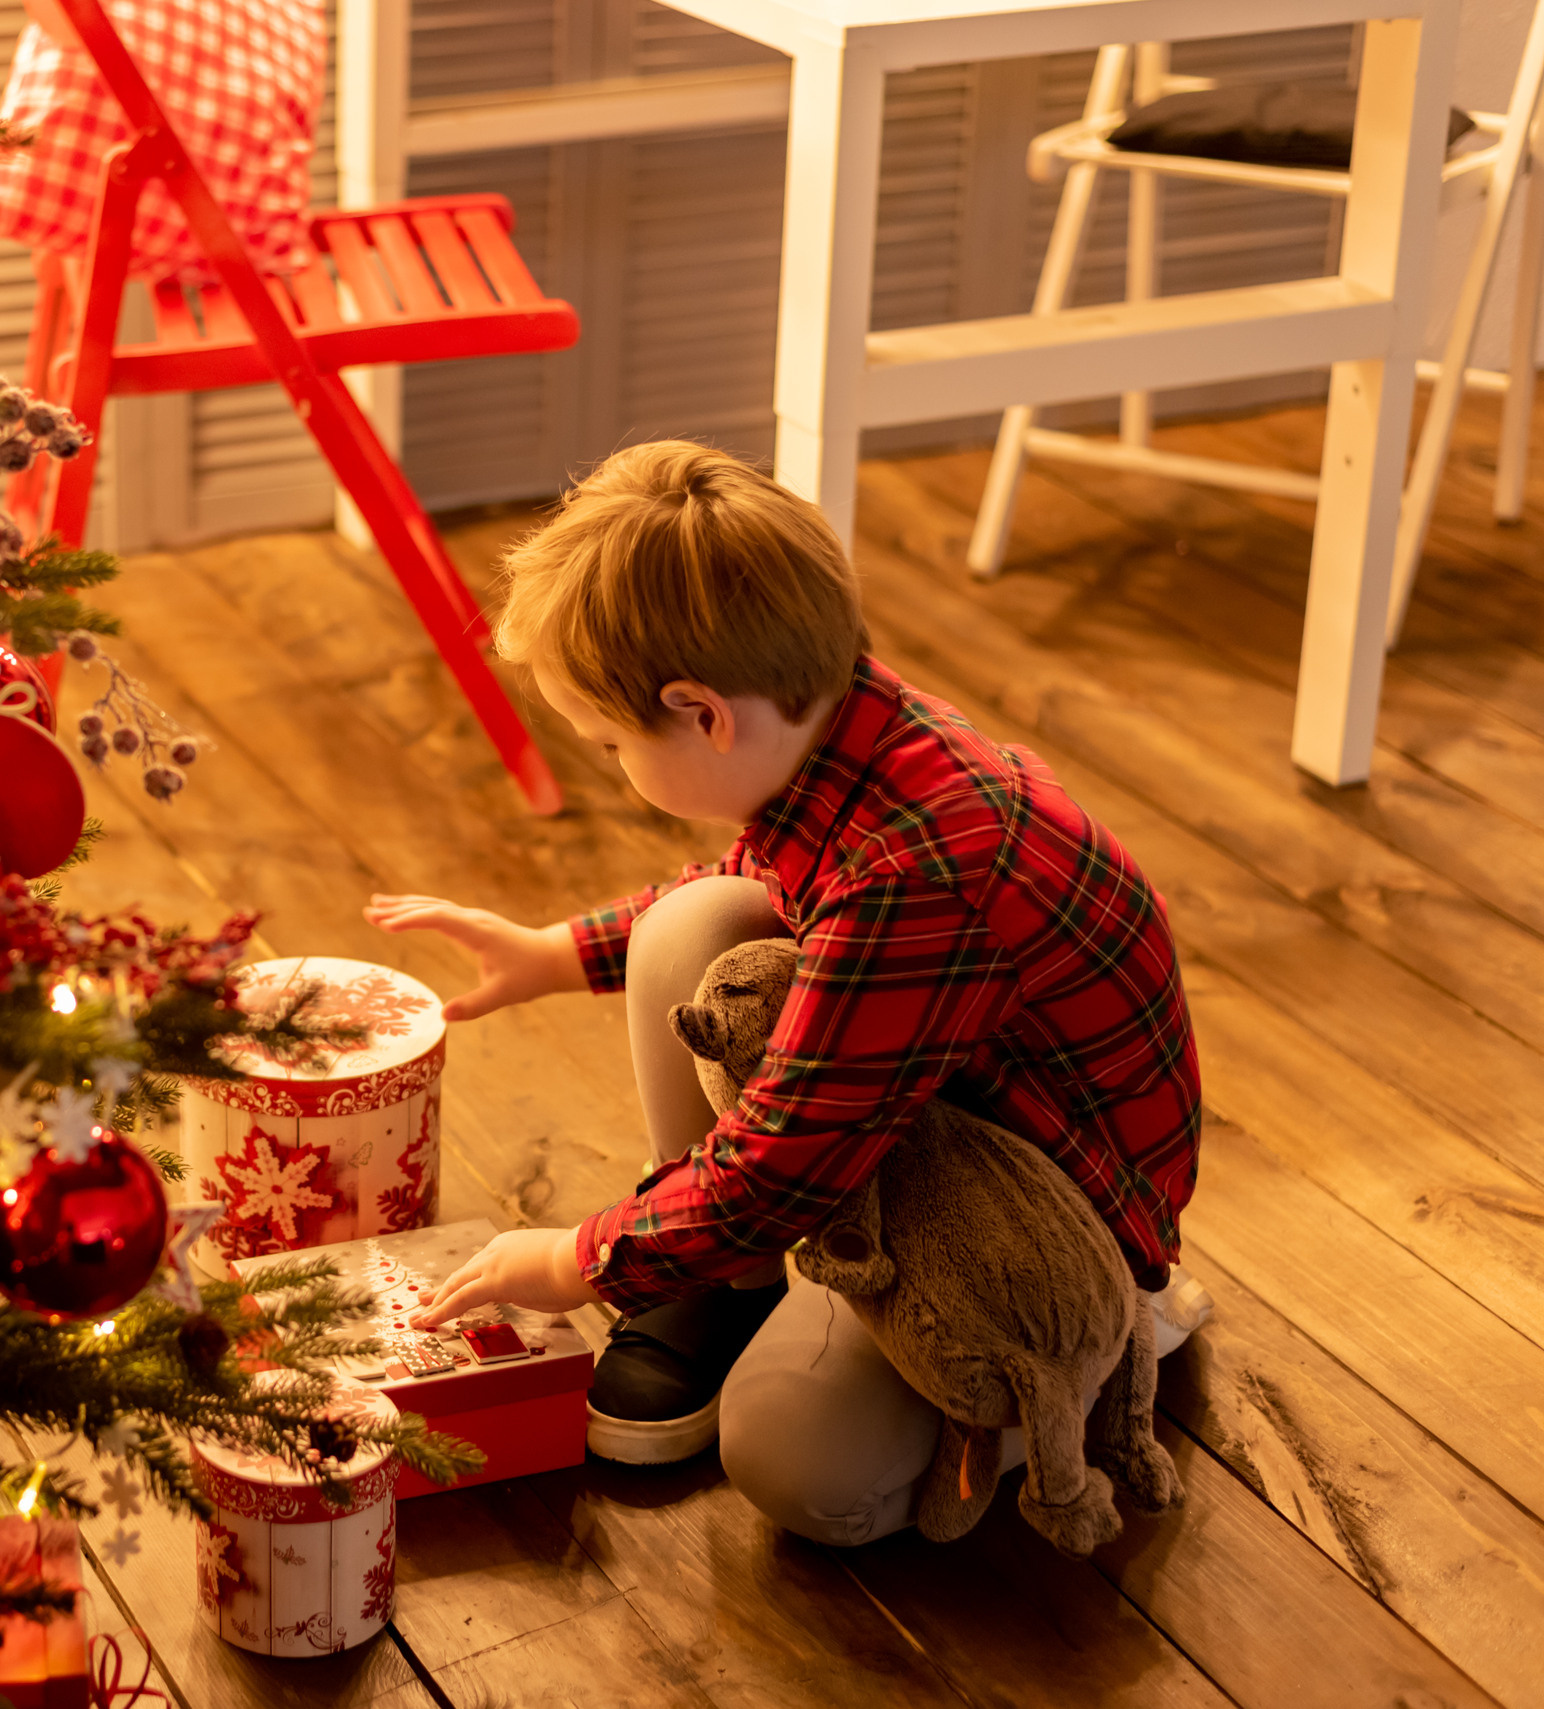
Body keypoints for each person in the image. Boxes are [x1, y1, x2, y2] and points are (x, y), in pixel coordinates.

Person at [369, 441, 1207, 1547]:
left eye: (613, 741)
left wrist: (574, 1258)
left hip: (1041, 1230)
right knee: (692, 928)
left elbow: (779, 1165)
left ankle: (1095, 1351)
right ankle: (733, 1284)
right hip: (953, 1111)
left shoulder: (916, 873)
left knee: (793, 1459)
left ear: (703, 712)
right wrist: (554, 951)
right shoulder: (848, 729)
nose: (613, 761)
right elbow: (753, 877)